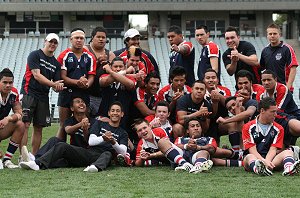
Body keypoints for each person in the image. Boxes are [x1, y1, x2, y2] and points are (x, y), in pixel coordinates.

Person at [20, 102, 128, 172]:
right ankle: (37, 163)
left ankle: (95, 167)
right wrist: (103, 138)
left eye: (118, 111)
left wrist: (113, 142)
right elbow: (91, 141)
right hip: (88, 153)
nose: (115, 113)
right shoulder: (99, 124)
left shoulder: (123, 133)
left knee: (107, 153)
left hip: (103, 156)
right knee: (61, 146)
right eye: (113, 111)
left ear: (122, 114)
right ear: (109, 113)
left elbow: (123, 152)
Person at [20, 33, 65, 155]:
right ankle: (22, 155)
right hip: (29, 92)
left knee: (39, 127)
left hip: (43, 97)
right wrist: (54, 85)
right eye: (51, 41)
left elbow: (56, 85)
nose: (52, 44)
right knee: (25, 124)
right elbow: (37, 75)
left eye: (55, 43)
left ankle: (34, 156)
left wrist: (59, 86)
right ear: (45, 41)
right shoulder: (35, 55)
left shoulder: (56, 64)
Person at [22, 96, 96, 167]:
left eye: (83, 102)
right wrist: (80, 124)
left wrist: (85, 129)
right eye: (78, 102)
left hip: (85, 153)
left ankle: (37, 162)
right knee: (54, 140)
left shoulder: (93, 122)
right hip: (72, 152)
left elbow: (89, 142)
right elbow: (68, 130)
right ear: (72, 108)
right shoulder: (70, 120)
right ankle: (35, 159)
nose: (81, 104)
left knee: (61, 147)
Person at [242, 97, 300, 176]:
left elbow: (273, 149)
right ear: (262, 111)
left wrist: (267, 162)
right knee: (249, 157)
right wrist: (262, 161)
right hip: (254, 159)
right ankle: (258, 169)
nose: (276, 115)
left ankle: (289, 169)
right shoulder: (248, 127)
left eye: (276, 111)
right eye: (273, 112)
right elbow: (252, 150)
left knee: (288, 152)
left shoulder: (279, 128)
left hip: (271, 161)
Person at [56, 28, 96, 141]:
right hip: (66, 93)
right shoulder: (64, 55)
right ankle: (59, 151)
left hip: (83, 93)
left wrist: (87, 84)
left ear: (84, 40)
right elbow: (62, 77)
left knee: (85, 124)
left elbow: (91, 76)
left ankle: (84, 150)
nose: (79, 40)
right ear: (71, 39)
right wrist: (77, 82)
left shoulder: (90, 57)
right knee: (63, 125)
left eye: (81, 38)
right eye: (76, 38)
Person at [85, 26, 115, 117]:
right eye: (98, 37)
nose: (101, 39)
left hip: (103, 95)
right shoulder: (85, 50)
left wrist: (108, 64)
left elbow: (116, 73)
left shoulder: (110, 54)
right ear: (92, 38)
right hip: (86, 93)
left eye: (103, 37)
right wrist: (97, 62)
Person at [260, 23, 298, 92]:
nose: (272, 36)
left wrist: (288, 87)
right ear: (267, 35)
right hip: (269, 89)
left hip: (284, 87)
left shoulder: (287, 49)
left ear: (279, 35)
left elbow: (293, 69)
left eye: (275, 34)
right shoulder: (265, 50)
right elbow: (261, 68)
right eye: (270, 34)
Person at [0, 68, 25, 169]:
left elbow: (19, 113)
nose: (8, 85)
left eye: (10, 82)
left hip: (1, 126)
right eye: (4, 82)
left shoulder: (13, 93)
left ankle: (7, 159)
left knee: (20, 125)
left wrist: (8, 118)